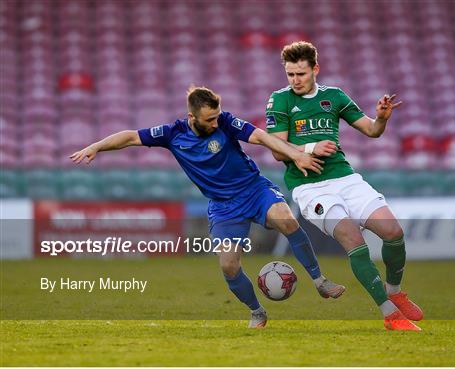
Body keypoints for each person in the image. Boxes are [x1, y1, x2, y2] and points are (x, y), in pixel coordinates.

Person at [71, 86, 345, 328]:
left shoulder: (226, 123)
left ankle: (320, 281)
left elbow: (261, 136)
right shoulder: (172, 134)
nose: (215, 123)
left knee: (286, 219)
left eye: (217, 116)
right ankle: (257, 312)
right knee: (228, 265)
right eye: (209, 119)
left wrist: (296, 153)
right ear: (192, 118)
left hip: (253, 189)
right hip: (223, 207)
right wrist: (96, 146)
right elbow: (131, 136)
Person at [265, 41, 423, 331]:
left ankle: (395, 292)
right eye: (290, 74)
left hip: (346, 179)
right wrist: (311, 146)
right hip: (310, 187)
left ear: (315, 69)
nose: (295, 80)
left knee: (393, 232)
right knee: (353, 239)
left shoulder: (334, 96)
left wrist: (382, 119)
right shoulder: (280, 100)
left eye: (300, 73)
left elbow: (371, 130)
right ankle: (390, 315)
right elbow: (277, 149)